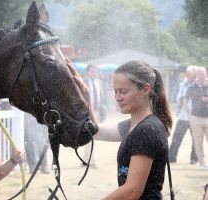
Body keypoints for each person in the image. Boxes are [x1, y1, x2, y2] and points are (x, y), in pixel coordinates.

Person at [66, 58, 172, 199]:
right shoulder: (134, 125)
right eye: (115, 92)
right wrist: (86, 97)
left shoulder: (147, 129)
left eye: (123, 91)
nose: (118, 97)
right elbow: (94, 130)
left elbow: (131, 191)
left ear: (146, 89)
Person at [169, 66, 198, 164]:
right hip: (183, 116)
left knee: (196, 139)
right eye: (187, 74)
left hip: (195, 116)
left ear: (194, 75)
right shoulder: (184, 83)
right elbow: (179, 97)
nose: (187, 76)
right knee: (176, 138)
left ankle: (194, 159)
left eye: (189, 74)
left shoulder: (198, 84)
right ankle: (171, 158)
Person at [184, 66, 208, 170]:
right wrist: (189, 115)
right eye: (199, 74)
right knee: (198, 142)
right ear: (196, 76)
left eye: (203, 74)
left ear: (206, 74)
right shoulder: (191, 87)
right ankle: (202, 163)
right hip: (196, 119)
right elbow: (185, 101)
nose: (201, 76)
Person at [82, 64, 103, 168]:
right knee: (90, 136)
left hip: (97, 112)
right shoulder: (83, 82)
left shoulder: (99, 83)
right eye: (91, 71)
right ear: (87, 72)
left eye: (95, 71)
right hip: (87, 112)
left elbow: (101, 98)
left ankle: (86, 160)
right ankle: (92, 161)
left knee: (92, 136)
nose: (94, 73)